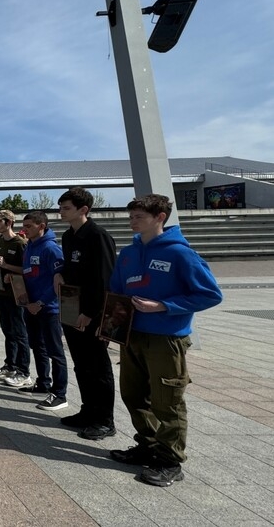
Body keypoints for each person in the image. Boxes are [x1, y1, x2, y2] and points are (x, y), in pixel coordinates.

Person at [108, 194, 222, 487]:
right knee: (133, 395)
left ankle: (170, 460)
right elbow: (116, 292)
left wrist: (164, 306)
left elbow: (210, 294)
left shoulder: (180, 253)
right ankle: (148, 445)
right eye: (131, 216)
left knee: (167, 402)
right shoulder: (129, 254)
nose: (133, 222)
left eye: (139, 217)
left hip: (166, 339)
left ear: (160, 217)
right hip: (133, 335)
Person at [54, 188, 118, 441]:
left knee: (98, 366)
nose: (61, 211)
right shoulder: (69, 236)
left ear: (84, 210)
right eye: (60, 207)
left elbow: (104, 279)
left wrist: (91, 313)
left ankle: (104, 420)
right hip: (72, 308)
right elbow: (71, 269)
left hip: (91, 313)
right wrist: (59, 273)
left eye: (66, 207)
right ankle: (88, 411)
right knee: (81, 364)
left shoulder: (98, 236)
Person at [19, 211, 69, 412]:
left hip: (48, 308)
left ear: (41, 226)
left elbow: (59, 282)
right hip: (31, 307)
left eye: (29, 226)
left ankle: (60, 394)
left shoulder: (51, 249)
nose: (25, 229)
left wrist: (40, 302)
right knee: (37, 346)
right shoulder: (29, 246)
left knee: (55, 351)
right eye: (24, 225)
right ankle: (43, 382)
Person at [0, 211, 32, 388]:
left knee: (20, 332)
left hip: (17, 294)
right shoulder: (0, 242)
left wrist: (7, 267)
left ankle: (24, 371)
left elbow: (25, 269)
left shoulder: (20, 243)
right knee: (8, 331)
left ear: (9, 222)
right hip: (3, 292)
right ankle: (10, 365)